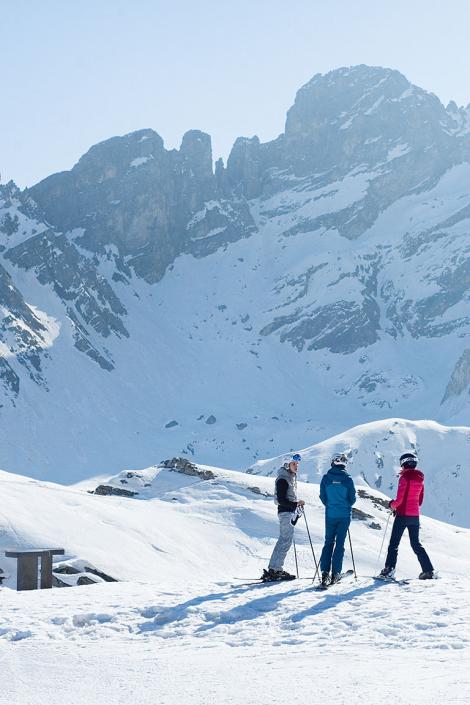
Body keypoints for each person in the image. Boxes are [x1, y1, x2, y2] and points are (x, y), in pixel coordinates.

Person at [379, 452, 434, 580]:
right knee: (416, 544)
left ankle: (389, 570)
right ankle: (428, 571)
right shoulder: (420, 478)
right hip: (415, 516)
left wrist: (392, 505)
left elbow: (399, 500)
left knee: (394, 544)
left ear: (404, 463)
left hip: (403, 515)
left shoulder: (404, 478)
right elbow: (419, 501)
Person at [262, 454, 305, 582]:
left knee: (284, 540)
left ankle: (275, 569)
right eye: (294, 464)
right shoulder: (283, 479)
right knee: (285, 541)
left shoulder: (289, 478)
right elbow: (281, 500)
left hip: (288, 512)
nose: (296, 466)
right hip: (285, 513)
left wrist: (295, 506)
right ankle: (275, 570)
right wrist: (295, 504)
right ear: (287, 465)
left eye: (297, 464)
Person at [319, 453, 356, 587]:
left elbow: (323, 497)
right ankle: (335, 574)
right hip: (344, 516)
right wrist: (344, 505)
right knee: (339, 544)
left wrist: (330, 505)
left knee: (328, 542)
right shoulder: (348, 479)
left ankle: (324, 573)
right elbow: (352, 499)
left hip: (330, 515)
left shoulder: (326, 478)